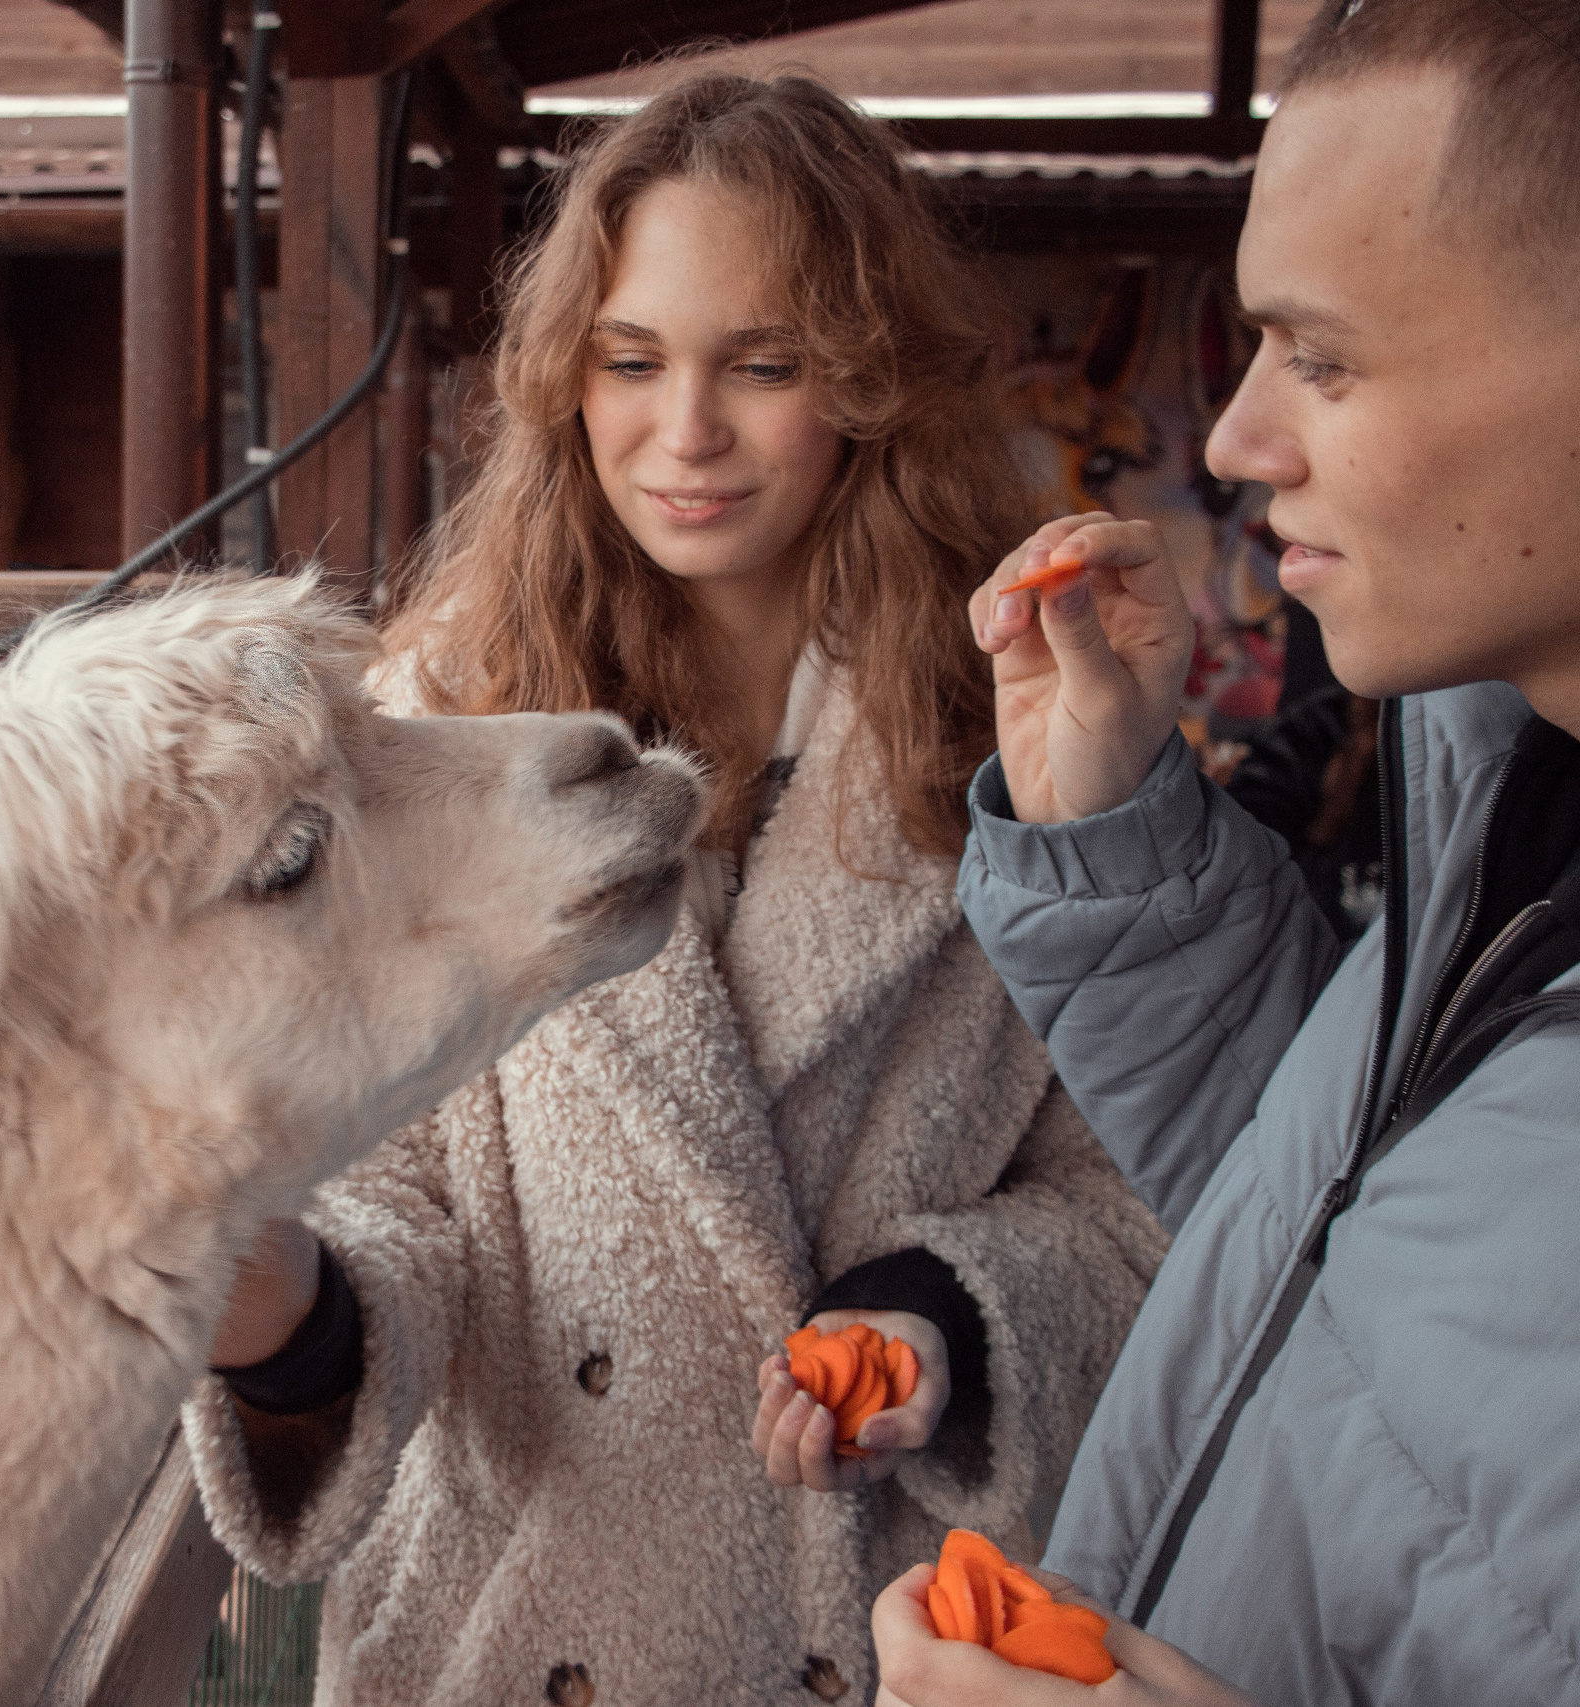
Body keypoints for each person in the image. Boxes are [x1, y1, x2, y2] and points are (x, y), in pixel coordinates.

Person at [181, 67, 1167, 1704]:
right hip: (511, 1633)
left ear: (865, 383)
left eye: (761, 365)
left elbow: (1139, 1206)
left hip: (886, 1638)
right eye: (631, 361)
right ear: (567, 377)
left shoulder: (1017, 737)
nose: (685, 432)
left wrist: (941, 1317)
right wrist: (288, 1312)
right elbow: (385, 1191)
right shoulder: (436, 729)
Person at [871, 0, 1580, 1701]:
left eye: (1320, 359)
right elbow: (1378, 1221)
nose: (1242, 441)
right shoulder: (1504, 774)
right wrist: (1120, 830)